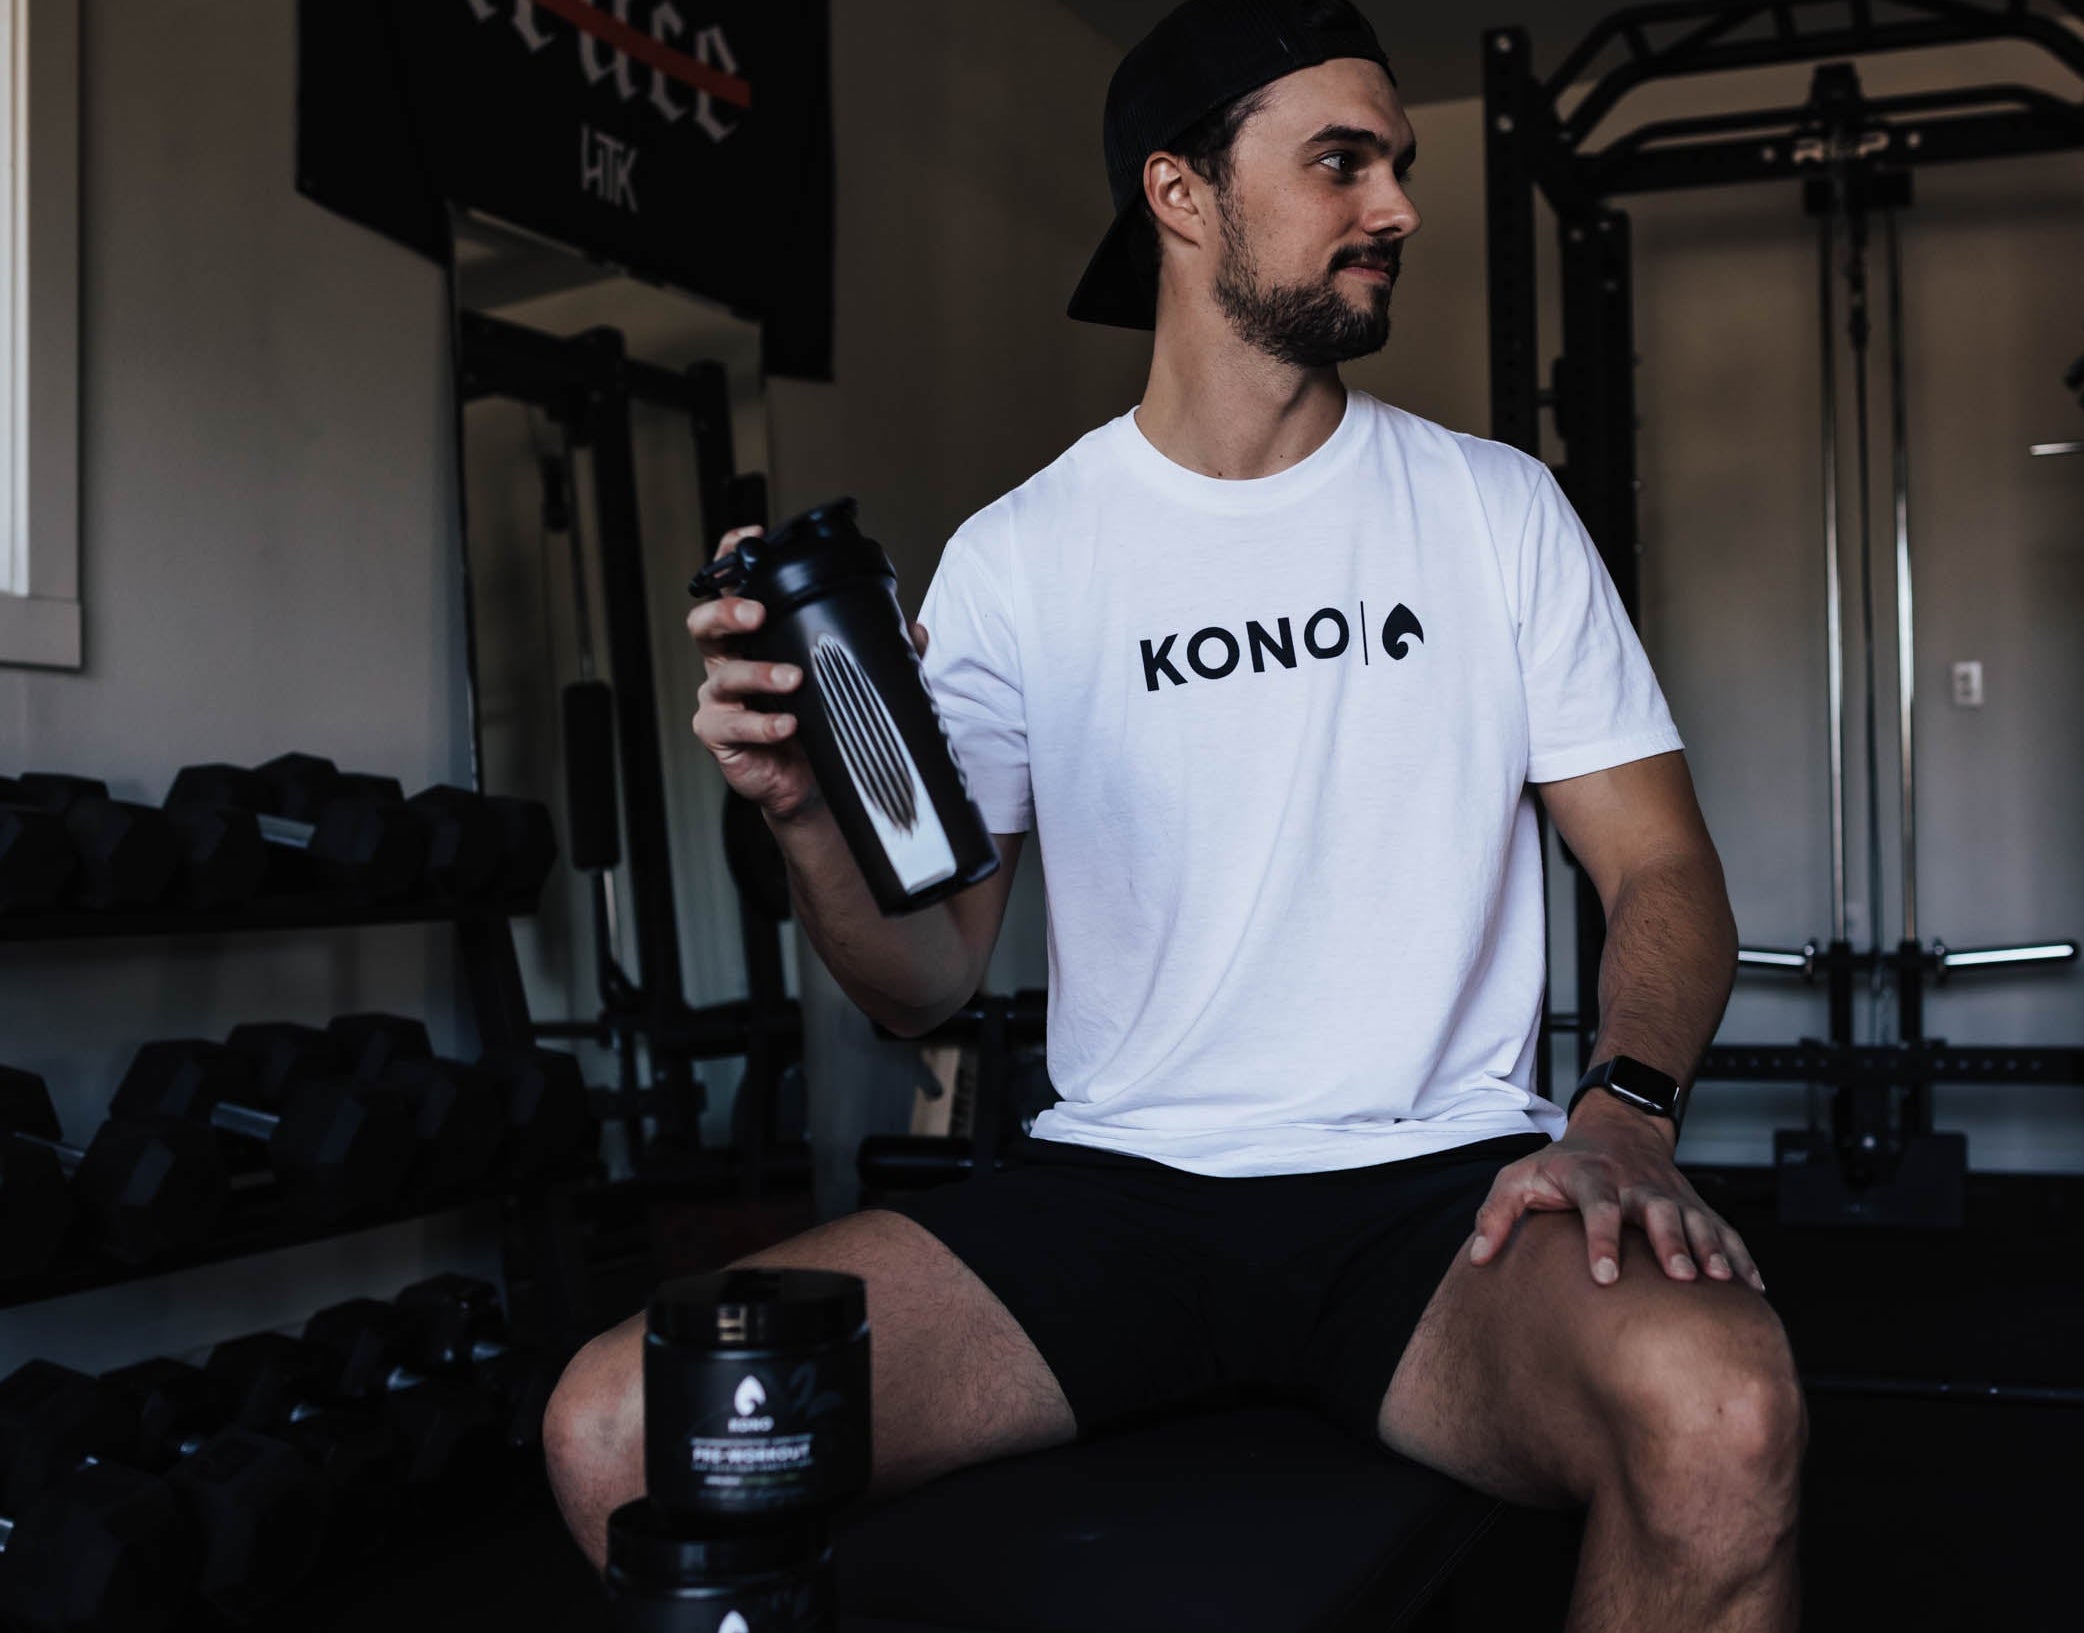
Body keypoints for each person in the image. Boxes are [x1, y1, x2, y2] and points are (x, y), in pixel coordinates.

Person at [547, 2, 1803, 1627]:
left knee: (1723, 1410)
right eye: (1340, 162)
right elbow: (918, 978)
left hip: (1436, 1197)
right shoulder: (1023, 556)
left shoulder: (1495, 512)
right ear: (1180, 193)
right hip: (1114, 1201)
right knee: (620, 1429)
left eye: (1396, 166)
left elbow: (1660, 866)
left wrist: (1624, 1111)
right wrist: (803, 815)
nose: (1397, 207)